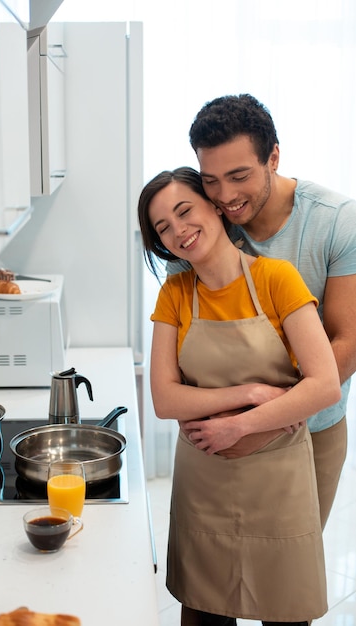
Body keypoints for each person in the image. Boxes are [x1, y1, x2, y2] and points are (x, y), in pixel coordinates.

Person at [138, 166, 341, 625]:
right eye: (163, 227)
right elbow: (165, 400)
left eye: (184, 211)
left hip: (278, 481)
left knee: (285, 612)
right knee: (204, 614)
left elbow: (324, 384)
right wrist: (251, 393)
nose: (179, 231)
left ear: (215, 205)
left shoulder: (277, 279)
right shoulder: (174, 293)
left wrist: (241, 423)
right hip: (204, 481)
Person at [169, 93, 356, 529]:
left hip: (312, 430)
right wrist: (230, 422)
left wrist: (267, 420)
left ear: (273, 157)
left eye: (239, 176)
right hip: (219, 429)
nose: (225, 196)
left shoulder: (335, 222)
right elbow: (184, 346)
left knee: (287, 574)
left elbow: (346, 343)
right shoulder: (199, 226)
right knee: (212, 576)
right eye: (210, 180)